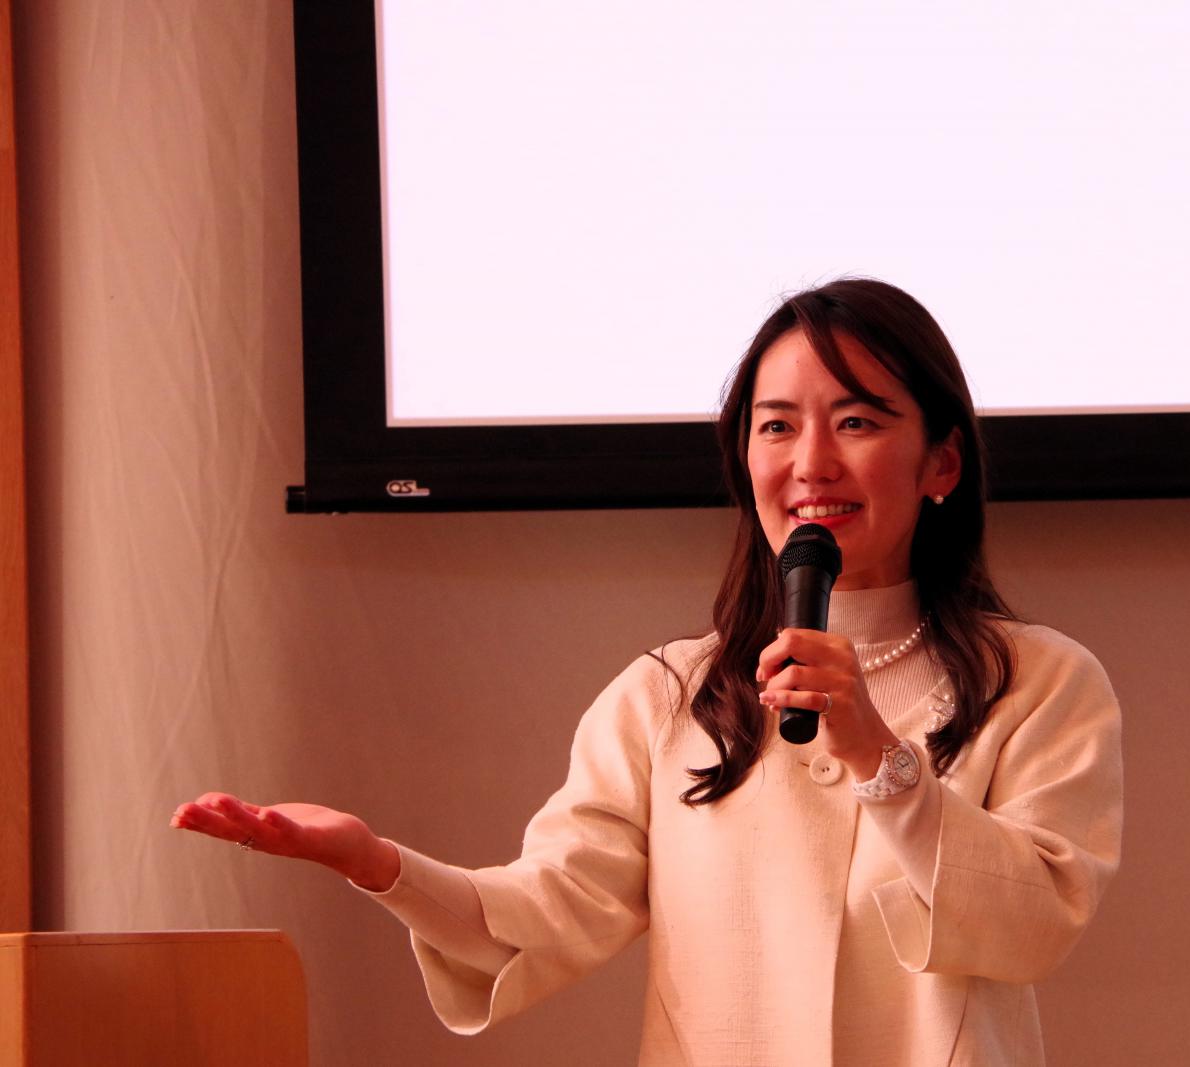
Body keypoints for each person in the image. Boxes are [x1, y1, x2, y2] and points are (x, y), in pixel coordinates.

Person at [173, 277, 1124, 1065]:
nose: (811, 462)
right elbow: (545, 911)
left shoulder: (1040, 682)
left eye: (857, 421)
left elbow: (1035, 922)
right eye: (777, 426)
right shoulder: (668, 695)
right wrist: (375, 863)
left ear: (941, 462)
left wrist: (880, 752)